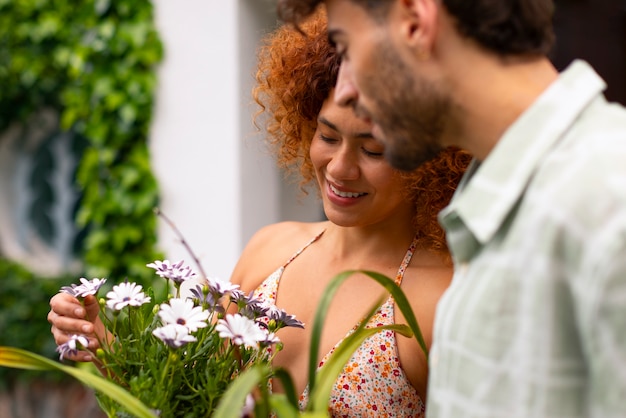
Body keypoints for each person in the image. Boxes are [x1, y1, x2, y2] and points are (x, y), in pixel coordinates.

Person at [48, 10, 470, 416]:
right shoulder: (271, 251)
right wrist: (102, 343)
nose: (340, 168)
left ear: (429, 156)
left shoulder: (442, 300)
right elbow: (188, 400)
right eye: (327, 135)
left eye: (373, 149)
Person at [275, 1, 626, 417]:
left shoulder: (606, 197)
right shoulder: (497, 211)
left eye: (347, 48)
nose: (346, 89)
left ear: (414, 22)